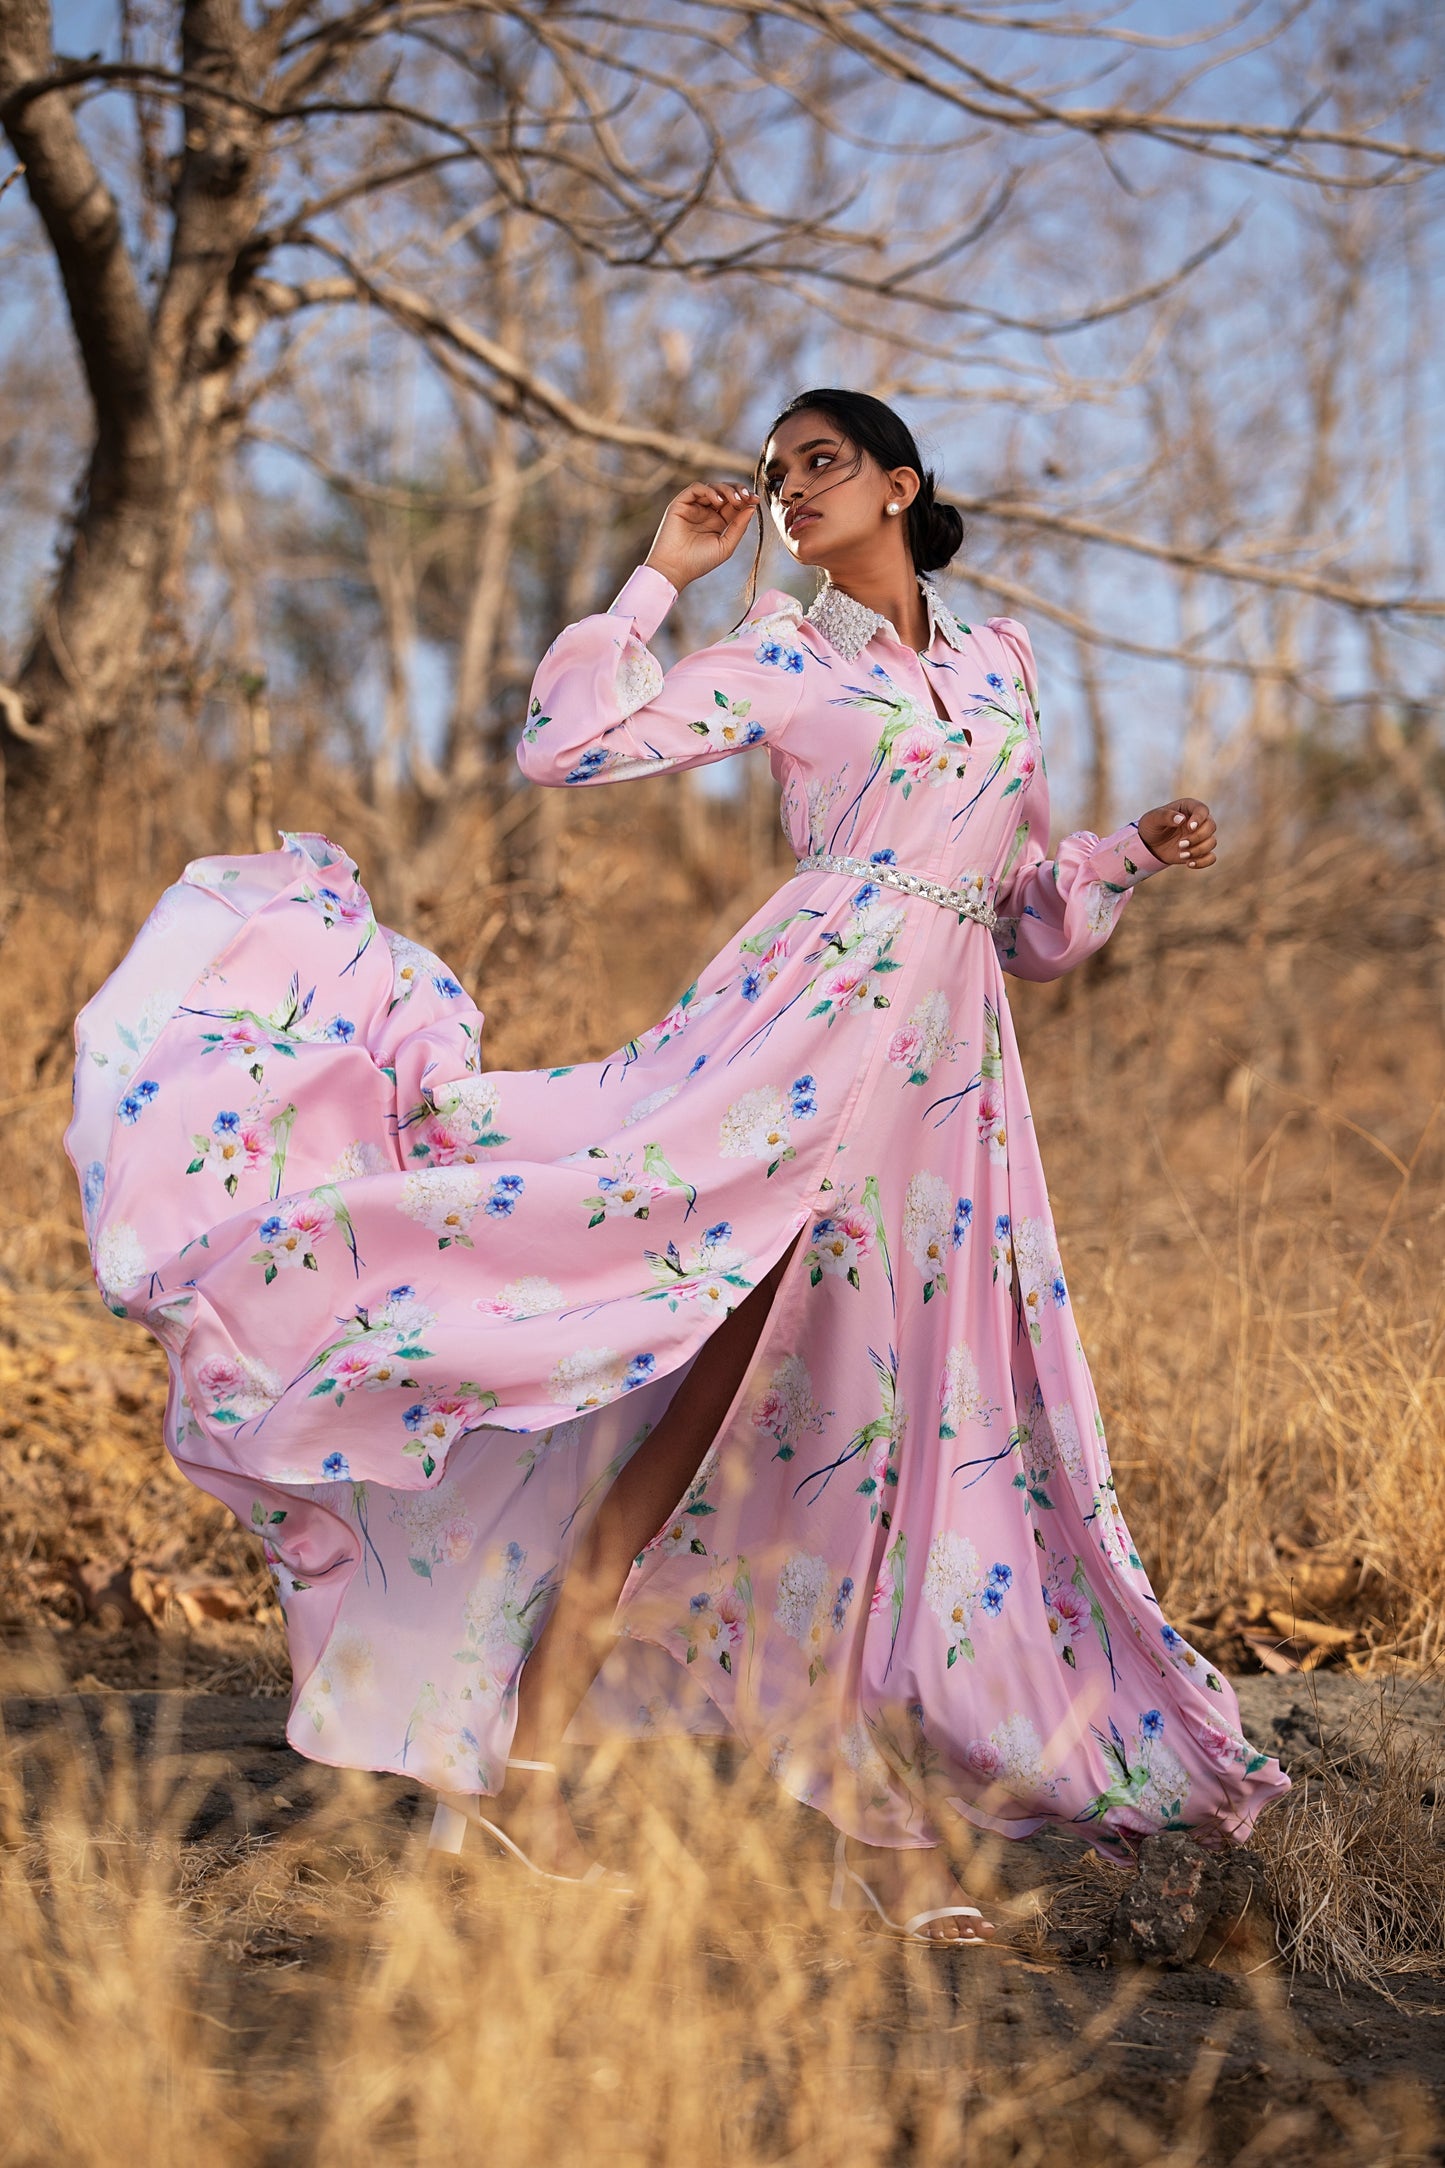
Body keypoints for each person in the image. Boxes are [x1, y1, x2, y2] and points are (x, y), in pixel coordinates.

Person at [66, 389, 1286, 1946]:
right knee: (682, 1384)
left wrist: (1122, 856)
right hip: (791, 1047)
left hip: (948, 1087)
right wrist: (660, 580)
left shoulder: (1002, 668)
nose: (786, 490)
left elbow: (1028, 915)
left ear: (902, 484)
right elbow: (560, 747)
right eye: (777, 473)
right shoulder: (779, 652)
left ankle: (872, 1832)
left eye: (819, 463)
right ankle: (528, 1768)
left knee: (900, 1434)